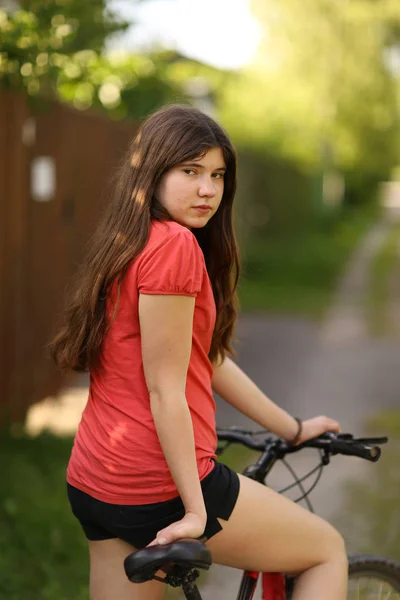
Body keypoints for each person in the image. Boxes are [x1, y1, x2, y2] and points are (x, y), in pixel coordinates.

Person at [50, 104, 348, 600]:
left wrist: (291, 429)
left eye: (217, 175)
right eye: (190, 172)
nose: (208, 189)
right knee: (326, 550)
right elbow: (166, 390)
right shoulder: (174, 248)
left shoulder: (128, 240)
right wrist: (194, 509)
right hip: (157, 484)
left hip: (96, 479)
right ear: (152, 171)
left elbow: (203, 358)